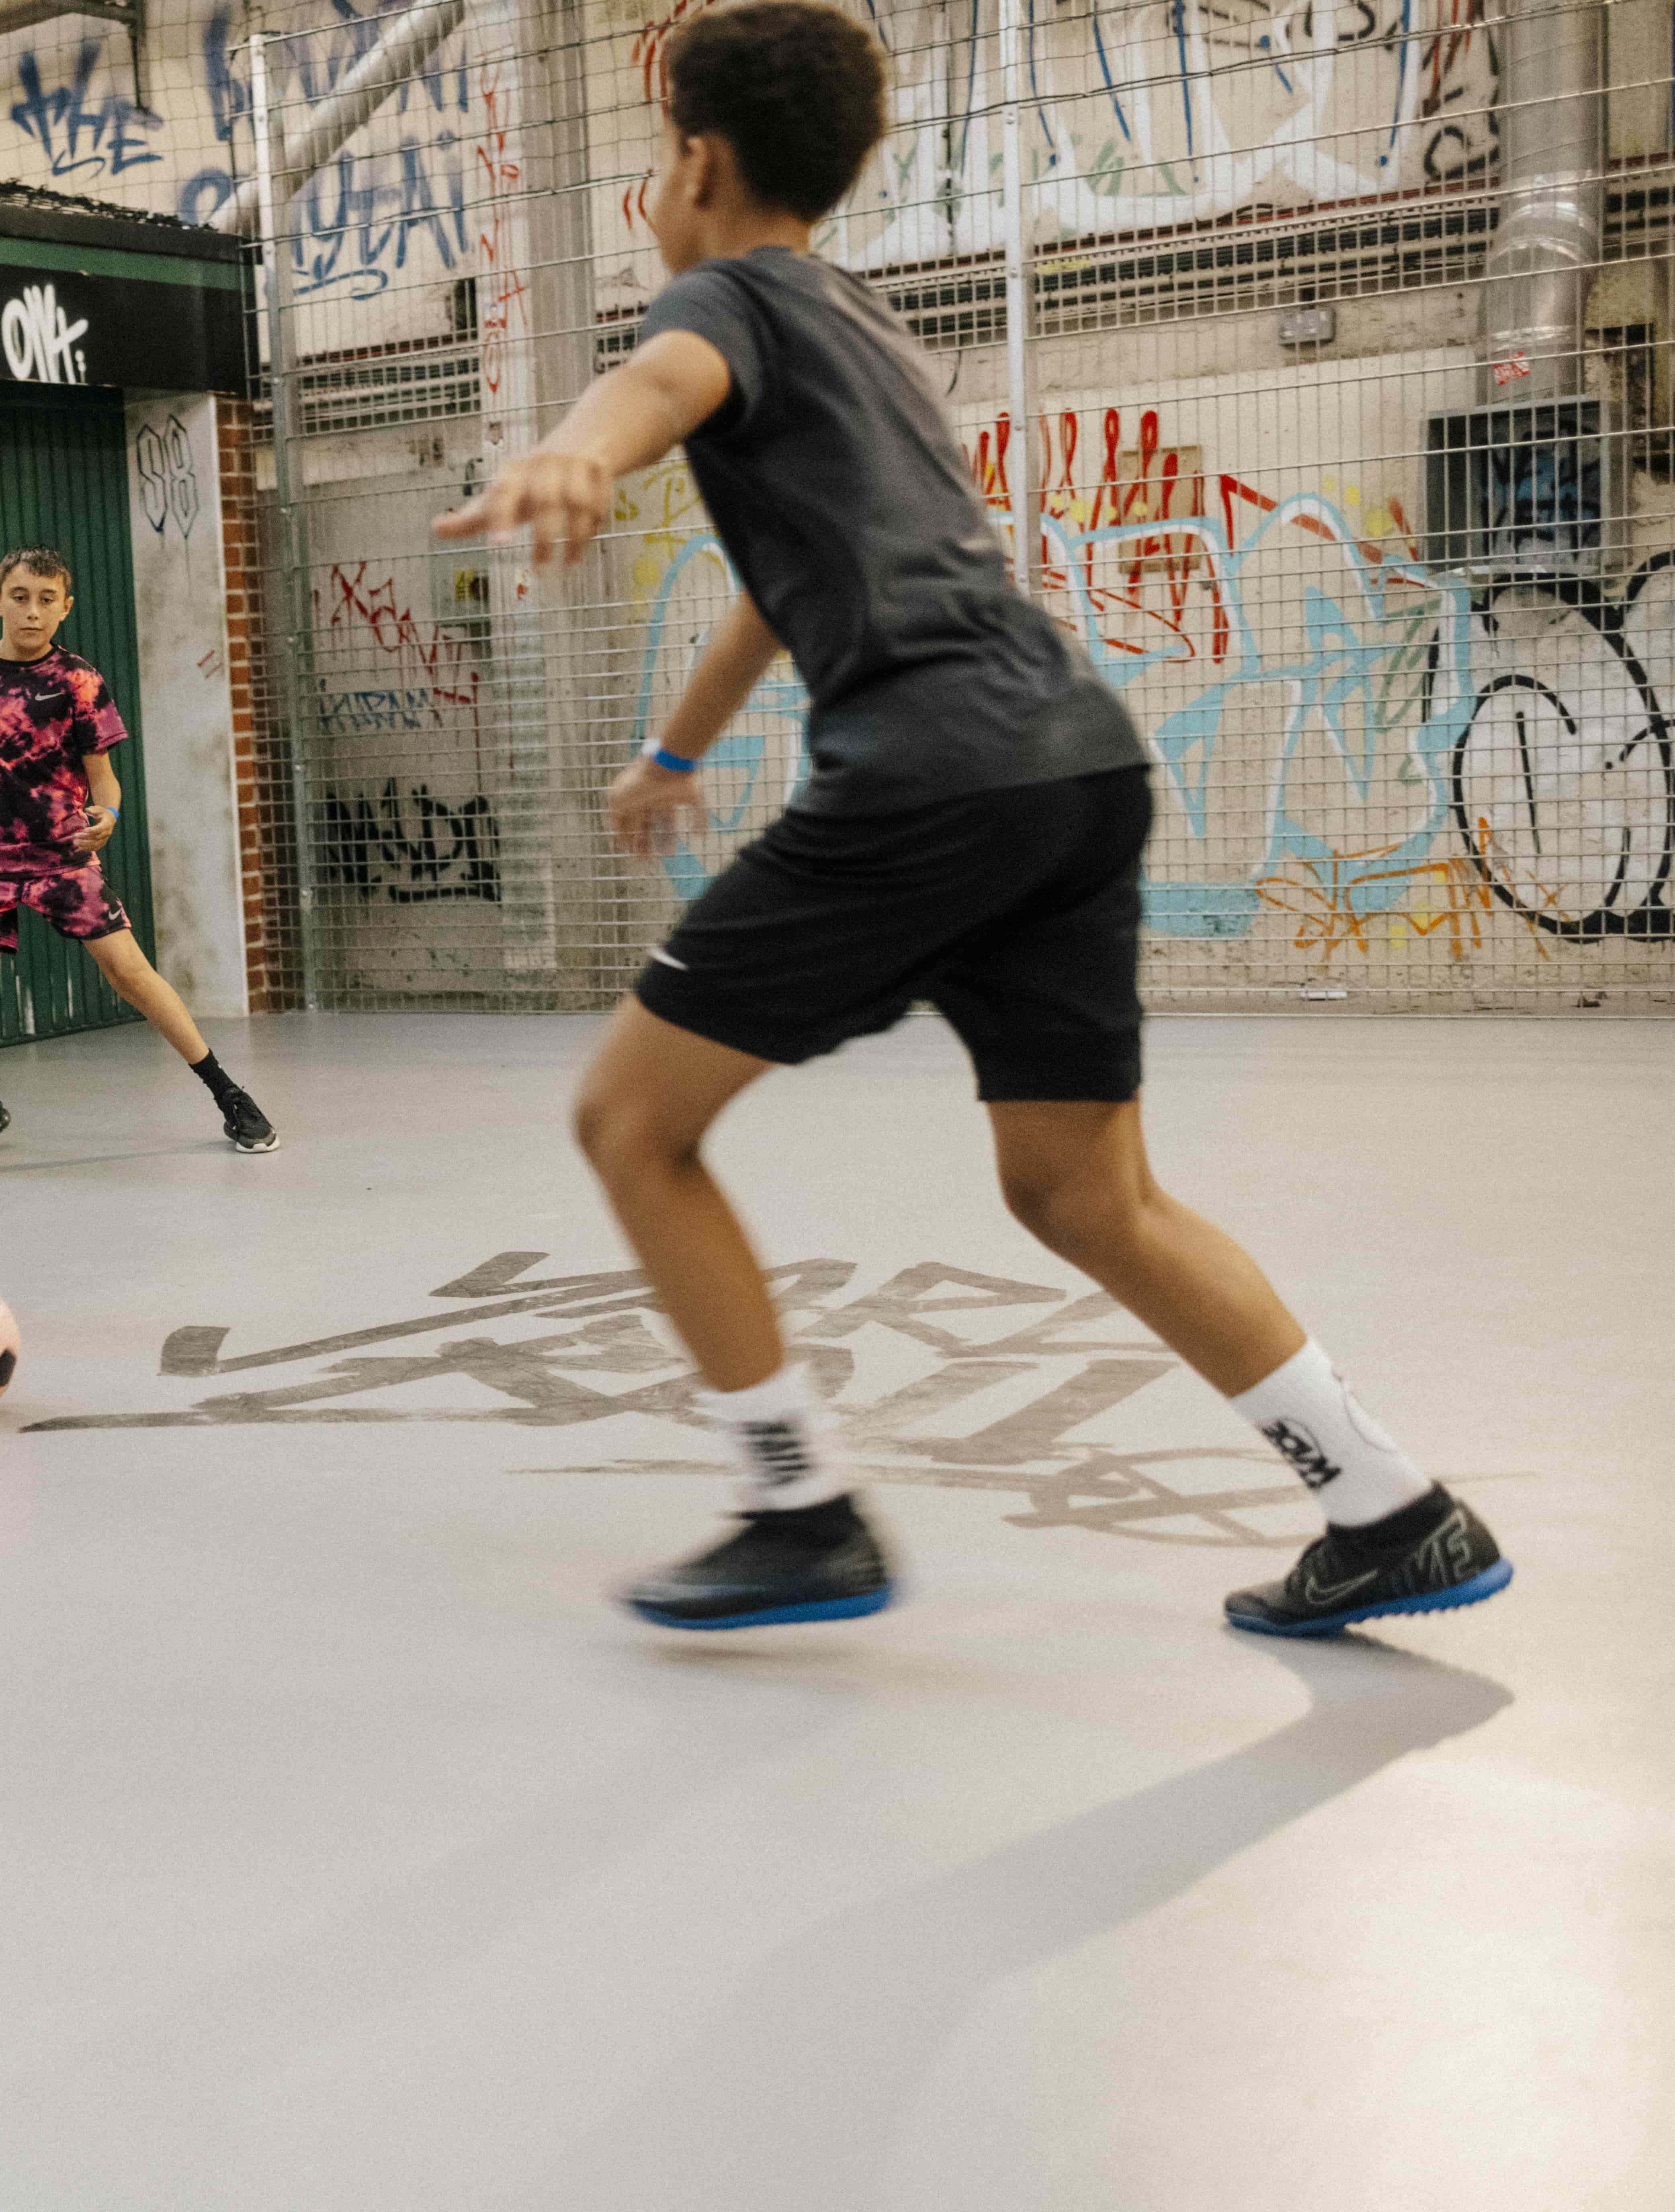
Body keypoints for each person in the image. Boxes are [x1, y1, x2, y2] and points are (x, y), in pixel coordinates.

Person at [434, 0, 1510, 1637]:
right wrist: (673, 751)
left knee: (630, 1122)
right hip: (1074, 762)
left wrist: (578, 450)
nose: (654, 194)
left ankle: (796, 1506)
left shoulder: (719, 299)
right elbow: (784, 595)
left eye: (657, 161)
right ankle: (1389, 1503)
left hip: (933, 771)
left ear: (699, 164)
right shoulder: (864, 330)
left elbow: (653, 378)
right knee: (1086, 1191)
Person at [0, 547, 277, 1161]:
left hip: (63, 855)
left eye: (47, 601)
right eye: (20, 598)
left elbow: (105, 779)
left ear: (65, 608)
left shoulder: (79, 680)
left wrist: (110, 817)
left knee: (130, 973)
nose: (32, 613)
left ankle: (227, 1092)